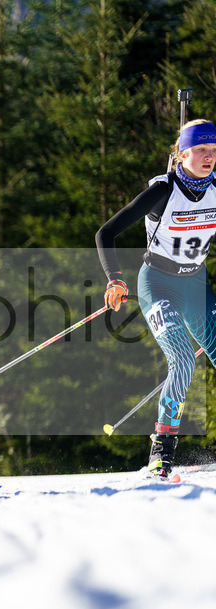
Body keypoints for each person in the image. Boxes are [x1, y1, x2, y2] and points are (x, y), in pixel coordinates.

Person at [96, 118, 216, 478]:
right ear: (182, 154)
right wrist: (114, 280)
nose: (209, 157)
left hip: (196, 285)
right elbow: (106, 233)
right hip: (158, 285)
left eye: (214, 151)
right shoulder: (163, 191)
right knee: (183, 359)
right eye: (200, 150)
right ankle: (161, 452)